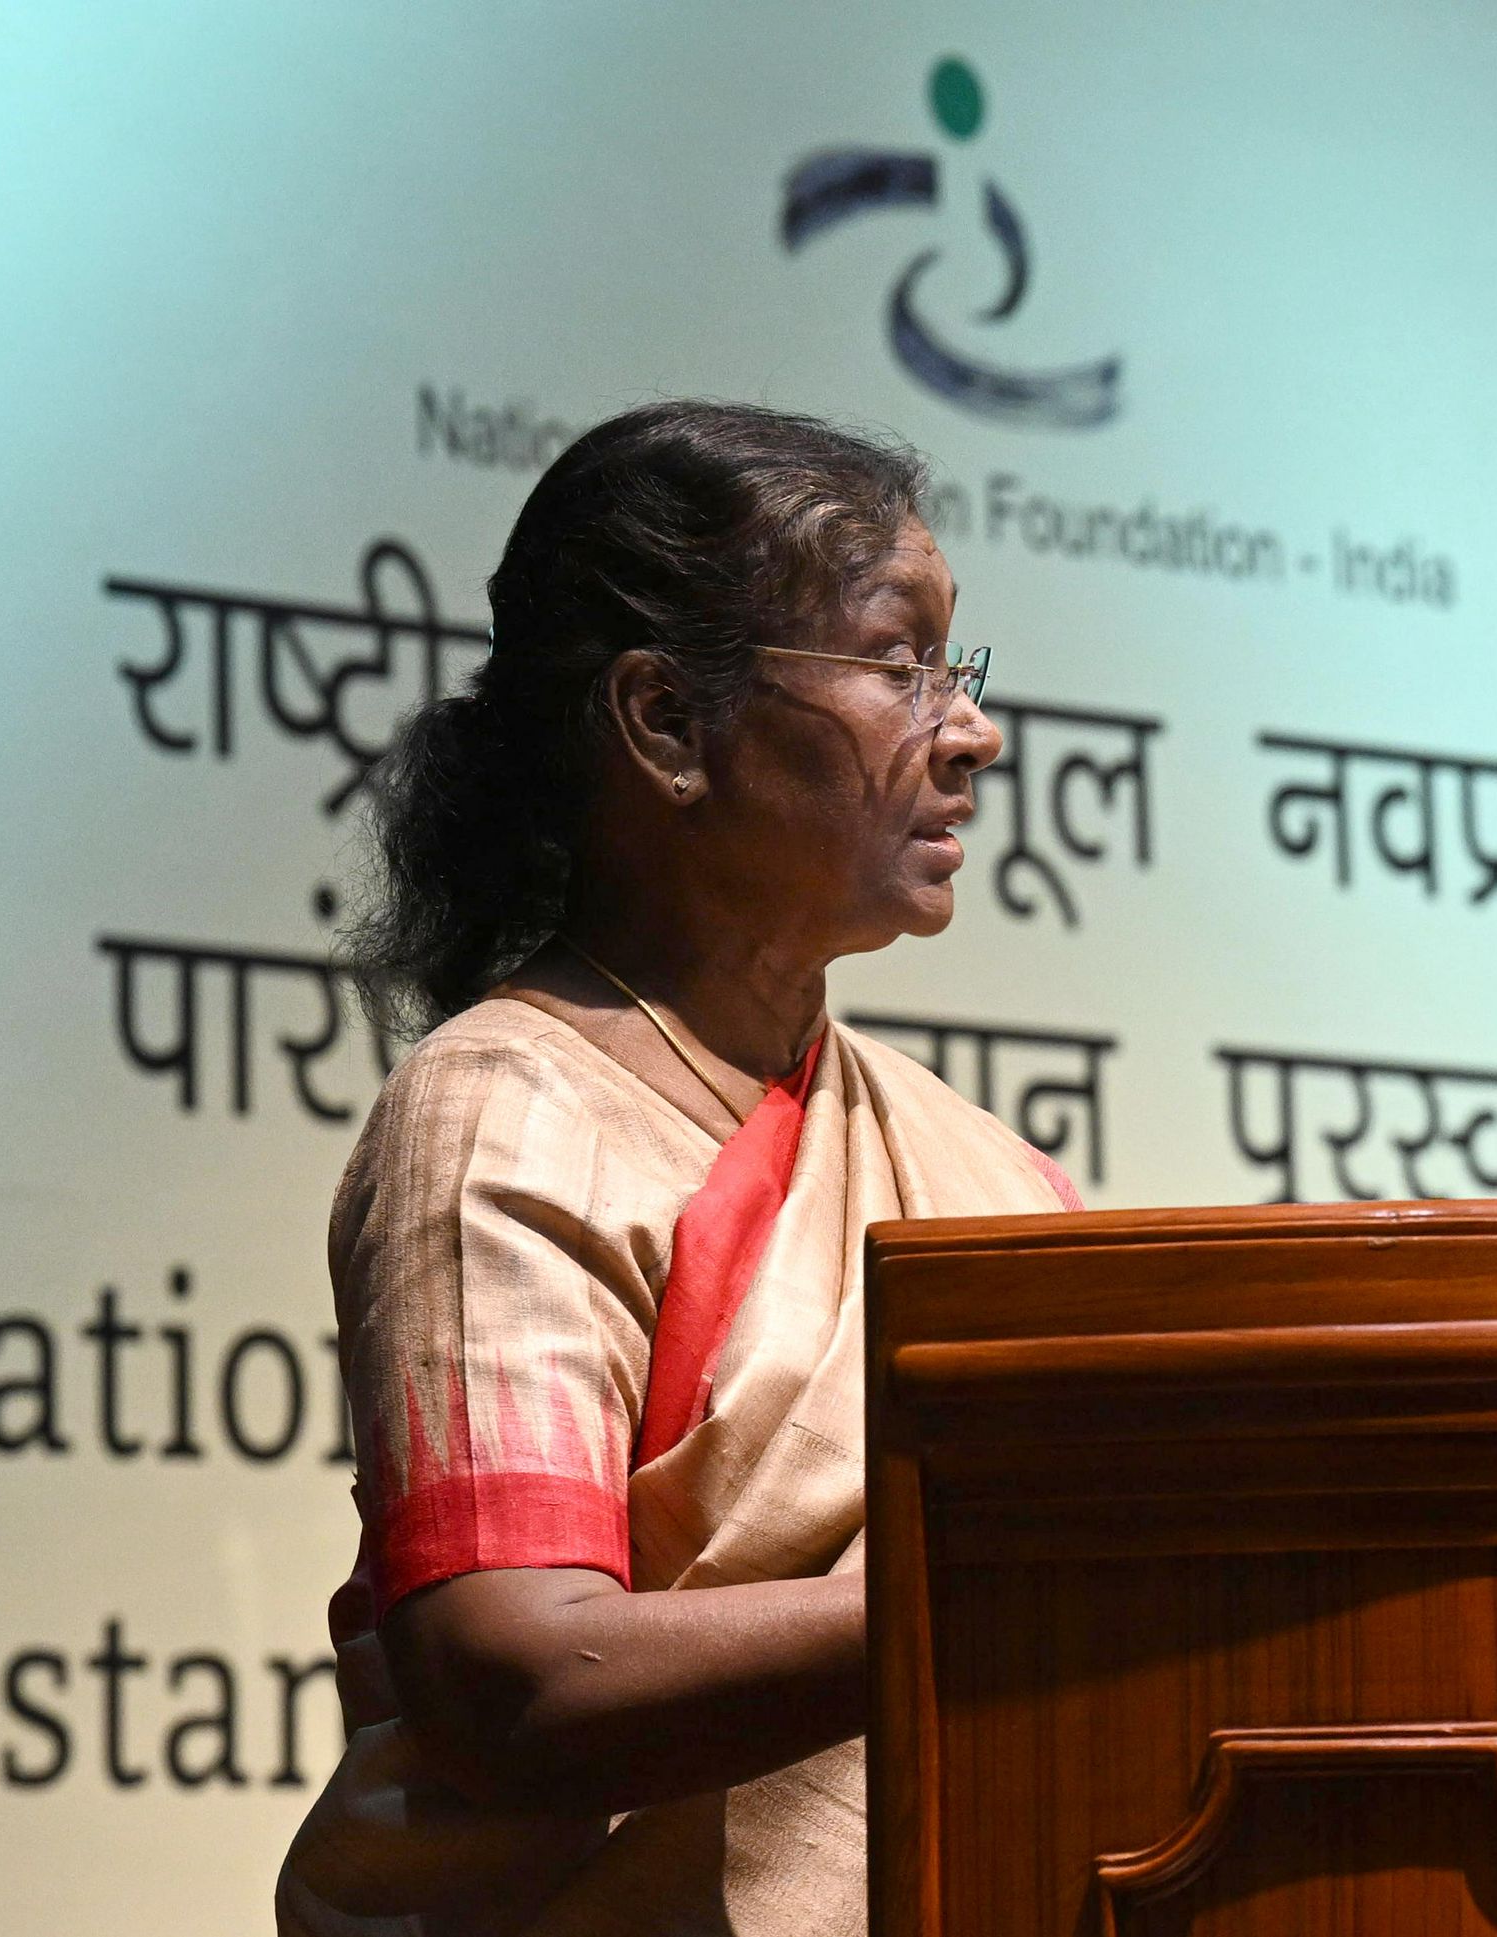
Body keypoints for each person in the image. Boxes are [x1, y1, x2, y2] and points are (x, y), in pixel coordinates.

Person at [276, 401, 1077, 1937]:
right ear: (662, 722)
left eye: (956, 669)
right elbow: (517, 1680)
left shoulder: (991, 1177)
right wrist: (1017, 1601)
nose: (970, 731)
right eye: (900, 664)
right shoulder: (504, 1113)